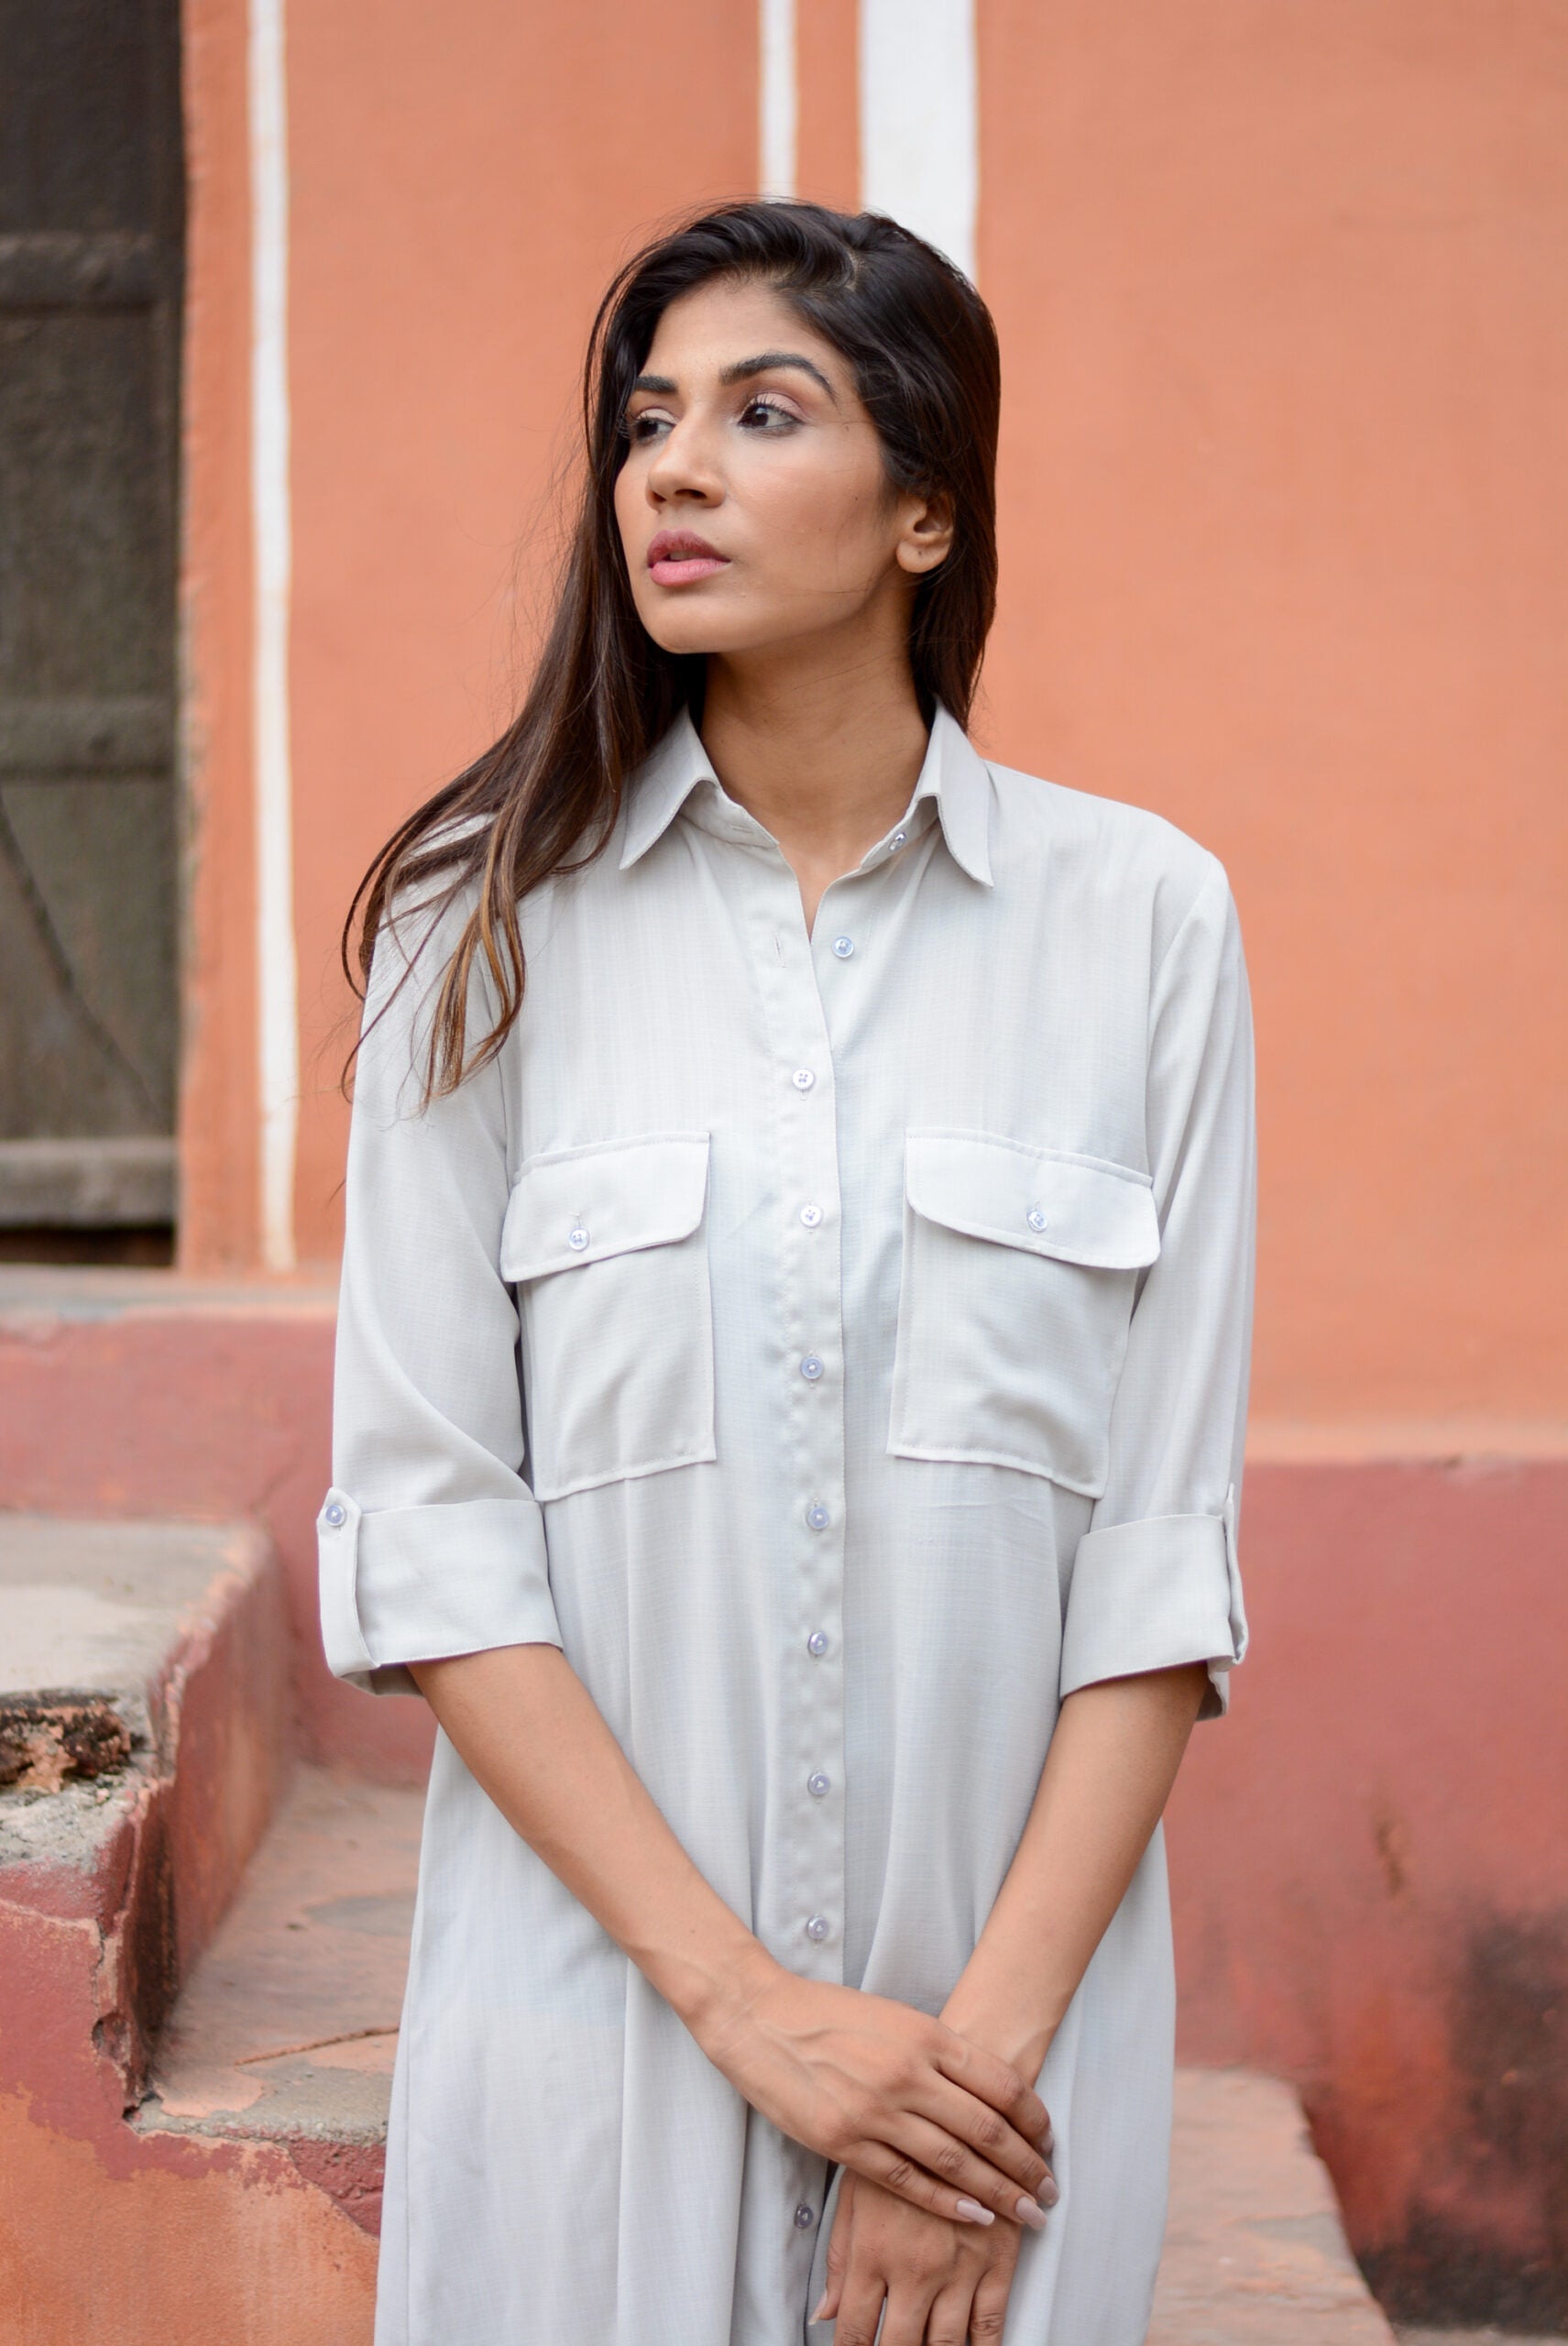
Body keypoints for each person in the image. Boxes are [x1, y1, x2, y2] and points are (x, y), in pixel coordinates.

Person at [318, 196, 1255, 2346]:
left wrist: (959, 2081)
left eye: (763, 410)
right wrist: (754, 2016)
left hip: (994, 2055)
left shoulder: (1143, 927)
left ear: (928, 507)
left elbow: (1156, 1555)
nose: (674, 466)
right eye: (649, 418)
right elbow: (438, 1534)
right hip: (597, 2025)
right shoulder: (485, 927)